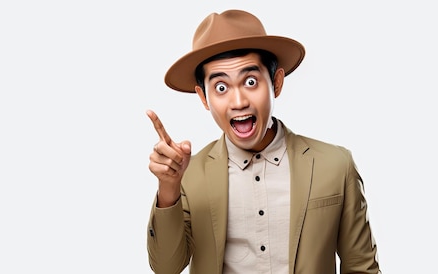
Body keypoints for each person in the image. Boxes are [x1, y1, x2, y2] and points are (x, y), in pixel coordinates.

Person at [145, 9, 381, 274]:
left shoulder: (336, 165)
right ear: (203, 98)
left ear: (276, 83)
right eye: (221, 87)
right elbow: (166, 267)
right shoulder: (188, 176)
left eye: (250, 81)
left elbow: (362, 267)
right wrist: (168, 188)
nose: (238, 102)